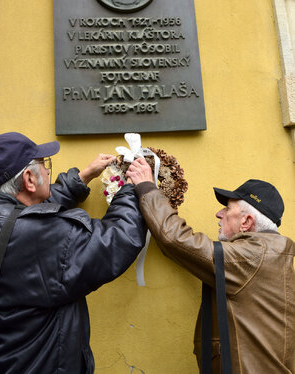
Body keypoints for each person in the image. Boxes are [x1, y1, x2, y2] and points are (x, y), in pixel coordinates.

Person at [0, 132, 146, 374]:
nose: (47, 172)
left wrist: (81, 178)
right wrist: (131, 189)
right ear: (29, 178)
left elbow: (21, 214)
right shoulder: (46, 236)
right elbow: (117, 240)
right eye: (44, 165)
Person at [126, 157, 295, 374]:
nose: (219, 213)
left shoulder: (252, 257)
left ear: (246, 222)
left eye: (227, 208)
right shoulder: (268, 255)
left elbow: (176, 241)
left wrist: (147, 187)